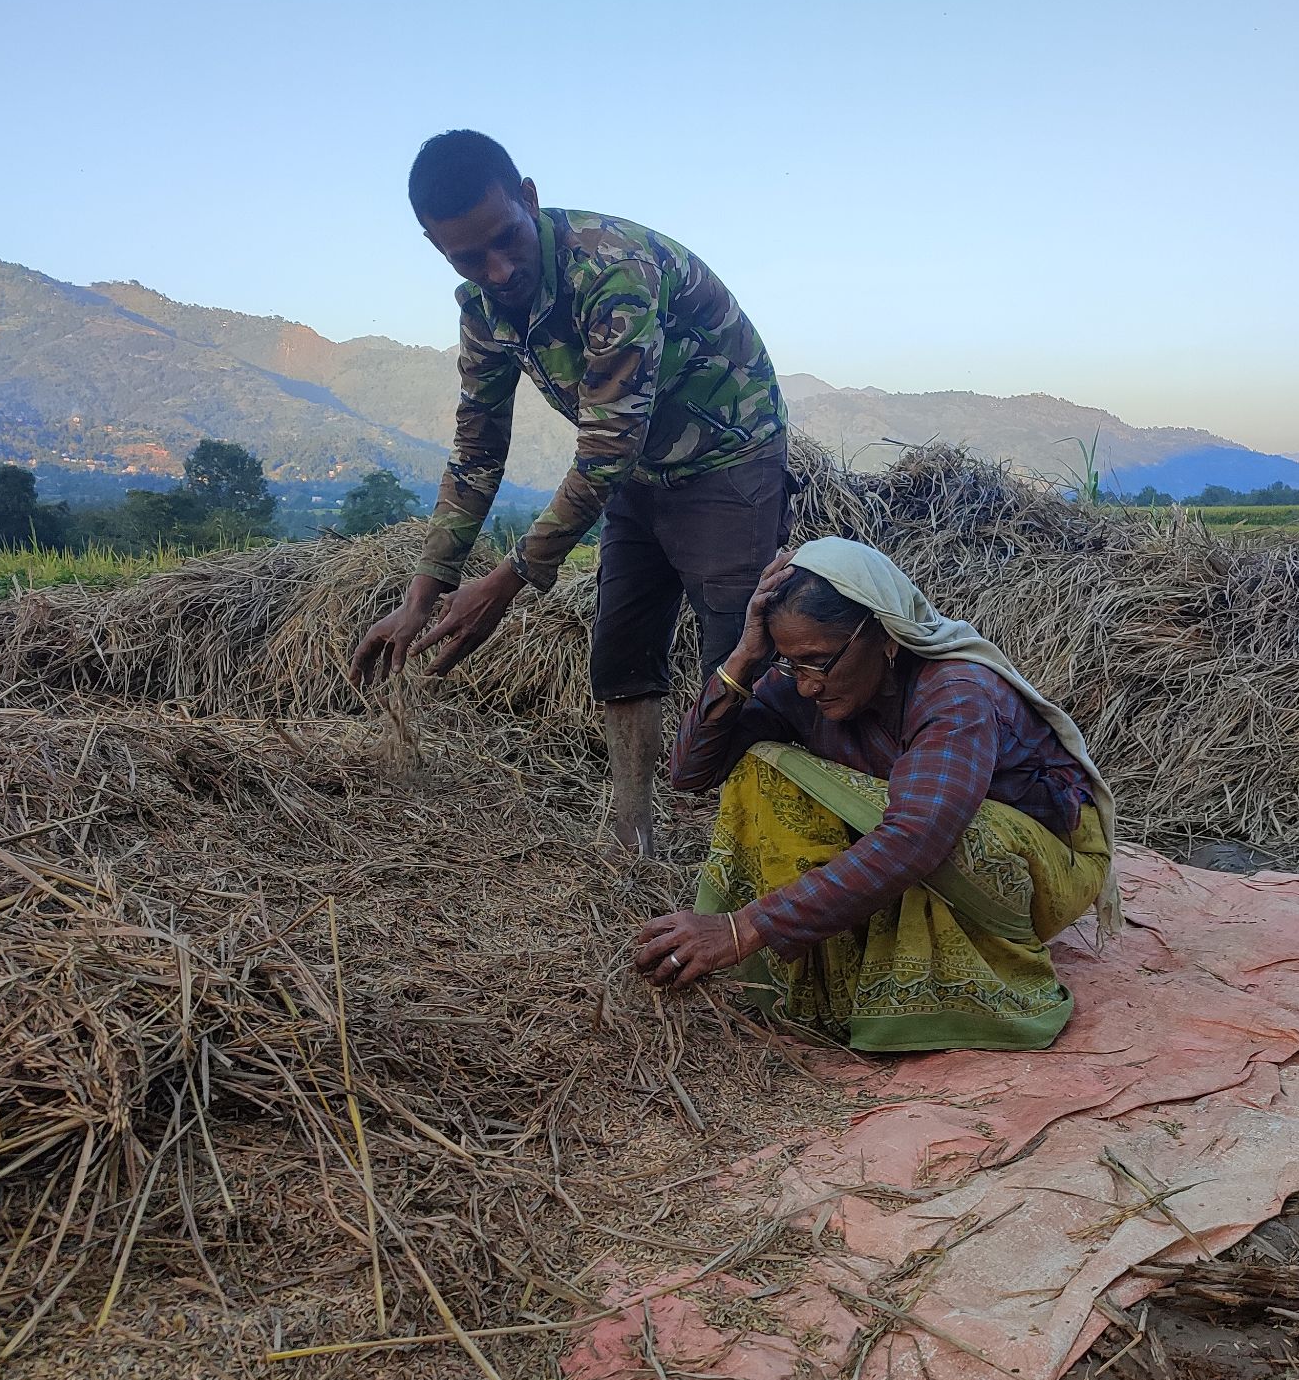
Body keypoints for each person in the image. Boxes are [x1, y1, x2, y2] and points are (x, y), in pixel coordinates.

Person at [350, 131, 791, 852]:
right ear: (437, 247)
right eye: (469, 257)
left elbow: (605, 453)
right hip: (636, 471)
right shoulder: (484, 310)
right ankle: (633, 841)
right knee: (619, 651)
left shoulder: (614, 271)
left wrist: (507, 581)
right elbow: (475, 455)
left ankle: (752, 852)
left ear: (528, 196)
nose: (498, 269)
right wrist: (420, 597)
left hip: (727, 458)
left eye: (506, 240)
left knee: (739, 656)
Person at [632, 538, 1122, 1052]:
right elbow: (689, 773)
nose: (806, 687)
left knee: (923, 827)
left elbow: (915, 837)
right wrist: (746, 656)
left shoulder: (956, 692)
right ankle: (831, 971)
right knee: (761, 767)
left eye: (818, 662)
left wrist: (743, 928)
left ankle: (952, 987)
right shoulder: (810, 684)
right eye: (791, 666)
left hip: (1042, 864)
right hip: (937, 841)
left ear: (886, 636)